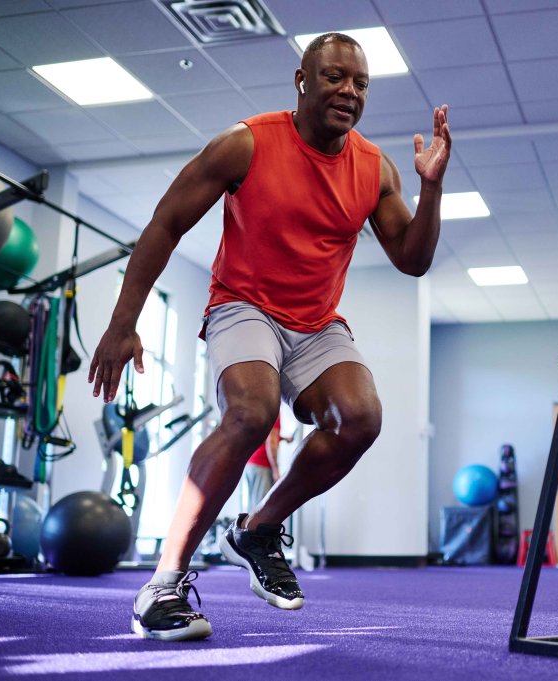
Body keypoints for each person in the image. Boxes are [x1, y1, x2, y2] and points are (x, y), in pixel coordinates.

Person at [88, 32, 451, 641]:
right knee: (251, 414)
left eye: (360, 83)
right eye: (336, 76)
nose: (349, 91)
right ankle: (162, 585)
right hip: (243, 304)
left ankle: (258, 529)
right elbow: (166, 224)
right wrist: (123, 324)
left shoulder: (375, 167)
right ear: (302, 80)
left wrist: (432, 187)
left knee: (361, 418)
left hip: (316, 322)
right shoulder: (246, 144)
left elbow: (413, 261)